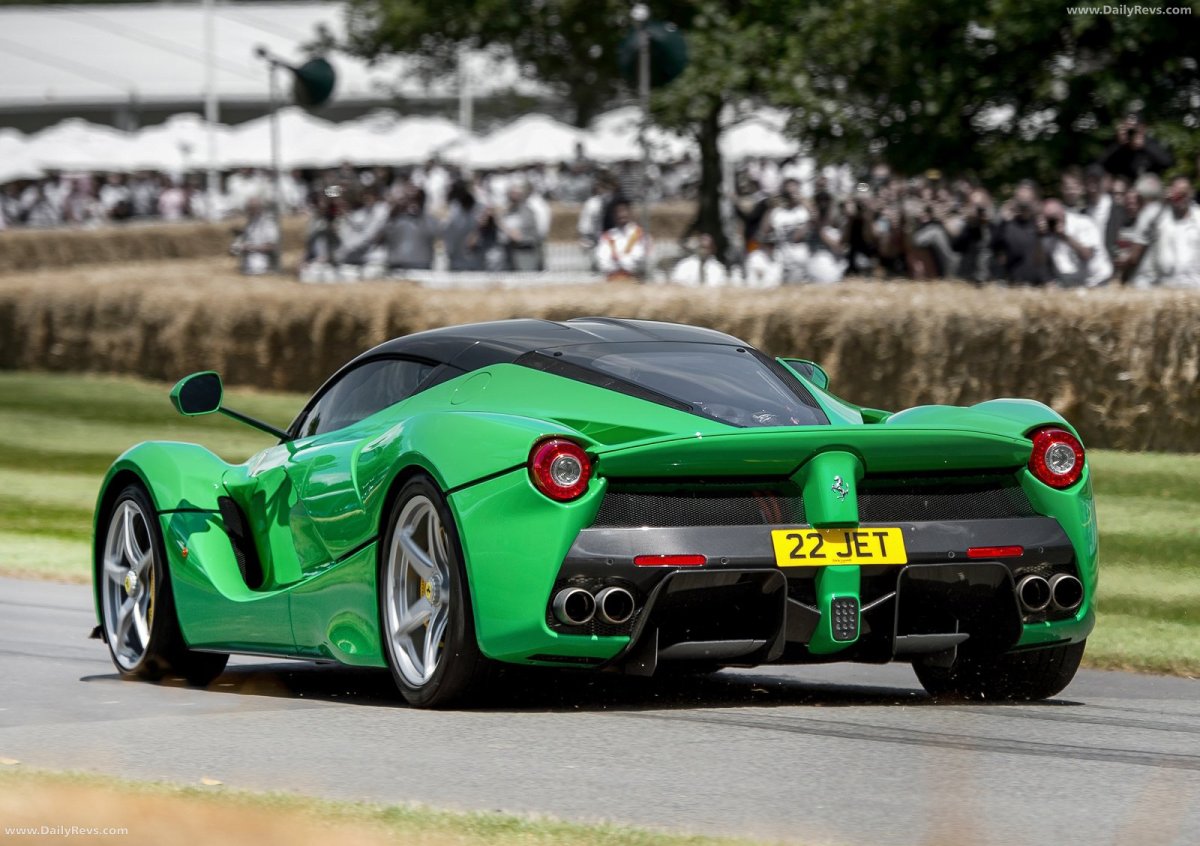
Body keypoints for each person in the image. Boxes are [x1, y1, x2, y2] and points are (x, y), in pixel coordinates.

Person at [1140, 177, 1200, 288]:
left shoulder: (1198, 218)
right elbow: (1145, 232)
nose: (1181, 198)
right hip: (1167, 287)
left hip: (1195, 287)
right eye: (1178, 195)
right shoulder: (1160, 218)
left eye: (1184, 194)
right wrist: (1163, 202)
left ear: (1191, 193)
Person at [1040, 198, 1112, 288]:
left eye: (1054, 217)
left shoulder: (1083, 223)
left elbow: (1087, 255)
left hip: (1097, 282)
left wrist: (1065, 237)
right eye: (1048, 218)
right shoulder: (1047, 235)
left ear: (1062, 212)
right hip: (1072, 286)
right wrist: (1039, 236)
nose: (1052, 222)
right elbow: (1040, 261)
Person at [991, 181, 1051, 285]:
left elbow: (1046, 259)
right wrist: (1002, 221)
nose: (1023, 195)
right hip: (1014, 285)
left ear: (1035, 200)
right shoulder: (1007, 225)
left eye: (1027, 193)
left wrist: (1041, 235)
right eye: (1020, 192)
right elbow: (994, 249)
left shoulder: (1042, 225)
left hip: (1039, 286)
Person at [1120, 173, 1167, 287]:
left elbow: (1134, 257)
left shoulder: (1146, 215)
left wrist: (1122, 279)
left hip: (1144, 279)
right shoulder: (1166, 212)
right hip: (1162, 278)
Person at [383, 187, 440, 273]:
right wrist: (394, 212)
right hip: (397, 264)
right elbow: (385, 235)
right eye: (410, 199)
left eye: (417, 199)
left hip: (420, 265)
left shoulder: (430, 220)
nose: (413, 203)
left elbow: (434, 233)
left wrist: (421, 215)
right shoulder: (397, 218)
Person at [1100, 114, 1173, 181]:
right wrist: (1119, 144)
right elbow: (1103, 164)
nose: (1131, 132)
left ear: (1143, 128)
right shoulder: (1120, 145)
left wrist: (1144, 146)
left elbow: (1167, 162)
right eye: (1128, 128)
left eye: (1134, 129)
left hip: (1146, 186)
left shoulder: (1150, 143)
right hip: (1124, 186)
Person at [594, 200, 647, 280]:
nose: (621, 215)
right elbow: (603, 260)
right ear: (613, 215)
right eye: (617, 212)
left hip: (635, 280)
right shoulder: (607, 236)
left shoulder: (639, 233)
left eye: (624, 211)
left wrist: (618, 260)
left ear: (630, 212)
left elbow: (638, 257)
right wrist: (620, 264)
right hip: (612, 280)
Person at [498, 183, 542, 272]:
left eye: (516, 194)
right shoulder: (505, 212)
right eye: (511, 194)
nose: (513, 197)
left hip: (524, 253)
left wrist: (507, 230)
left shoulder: (528, 212)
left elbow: (522, 236)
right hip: (508, 253)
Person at [230, 198, 279, 275]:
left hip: (260, 262)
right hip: (247, 263)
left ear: (260, 209)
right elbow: (252, 236)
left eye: (252, 209)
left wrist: (249, 248)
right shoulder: (251, 222)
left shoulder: (268, 223)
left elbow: (272, 246)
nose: (249, 212)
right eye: (248, 209)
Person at [443, 180, 484, 271]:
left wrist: (476, 233)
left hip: (476, 261)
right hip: (455, 260)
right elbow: (446, 230)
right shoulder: (453, 209)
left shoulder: (479, 208)